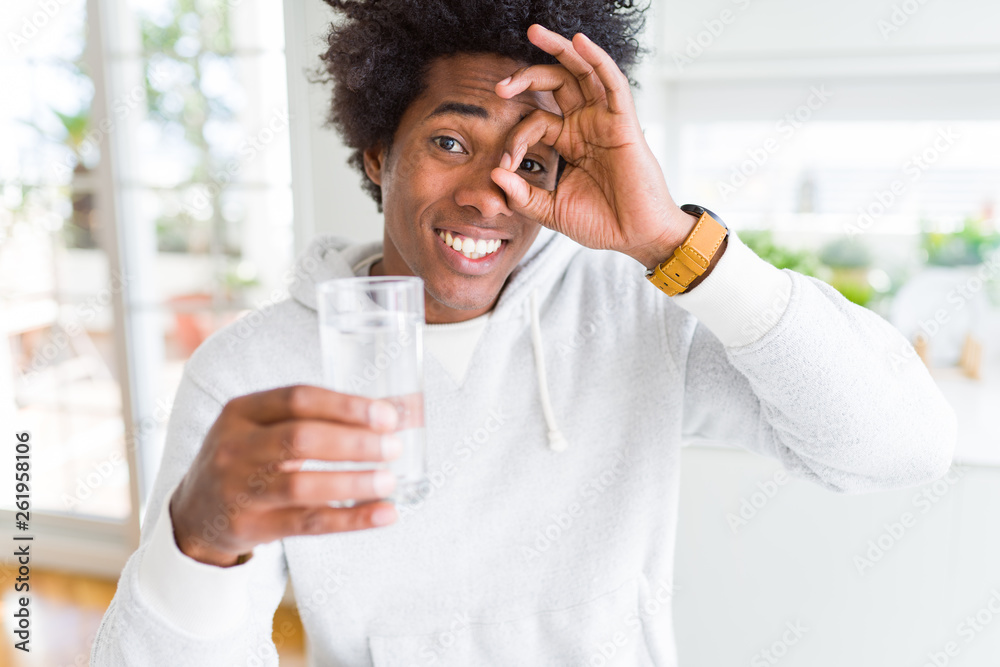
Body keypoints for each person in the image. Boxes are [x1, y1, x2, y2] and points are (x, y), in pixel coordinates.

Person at [91, 1, 957, 665]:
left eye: (530, 161)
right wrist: (199, 539)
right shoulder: (253, 369)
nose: (488, 193)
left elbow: (900, 446)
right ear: (372, 155)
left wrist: (669, 240)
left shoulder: (637, 310)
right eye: (449, 141)